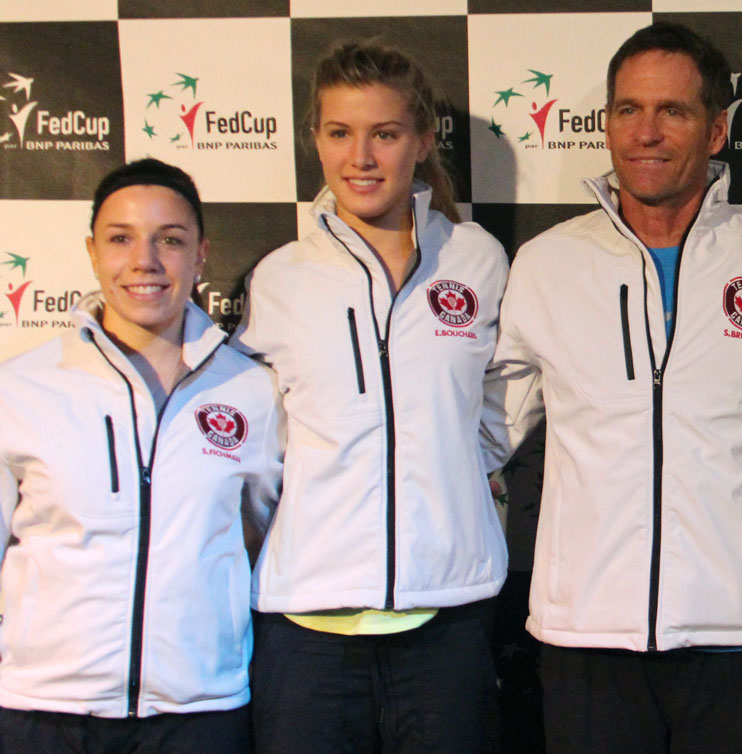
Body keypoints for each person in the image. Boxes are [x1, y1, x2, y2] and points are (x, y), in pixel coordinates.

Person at [486, 21, 742, 754]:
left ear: (716, 130)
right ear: (607, 124)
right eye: (628, 110)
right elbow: (491, 425)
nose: (646, 132)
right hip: (589, 640)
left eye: (672, 110)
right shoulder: (546, 266)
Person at [232, 41, 508, 754]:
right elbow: (255, 448)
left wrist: (454, 467)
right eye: (339, 132)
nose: (360, 157)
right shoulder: (279, 279)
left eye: (384, 133)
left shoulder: (478, 259)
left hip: (447, 618)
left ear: (421, 141)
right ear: (315, 139)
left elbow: (508, 395)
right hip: (307, 632)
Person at [0, 158, 283, 753]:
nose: (144, 261)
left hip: (200, 711)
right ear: (92, 251)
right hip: (44, 712)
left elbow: (263, 535)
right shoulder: (20, 389)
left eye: (170, 240)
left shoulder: (252, 393)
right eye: (120, 239)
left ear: (201, 256)